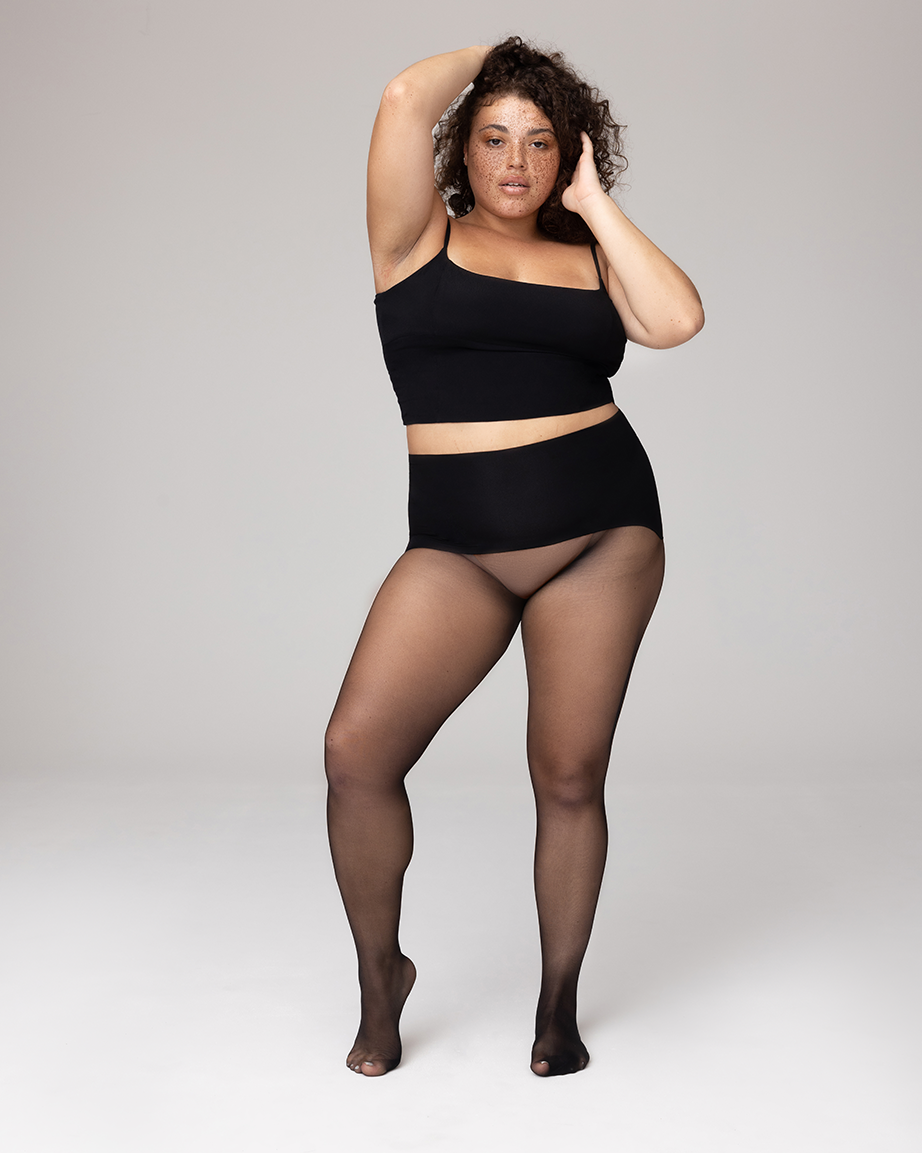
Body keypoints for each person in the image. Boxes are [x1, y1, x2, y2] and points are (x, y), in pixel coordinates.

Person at [324, 37, 704, 1078]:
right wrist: (507, 51)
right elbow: (404, 93)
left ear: (568, 153)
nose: (514, 160)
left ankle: (557, 1008)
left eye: (540, 142)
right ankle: (381, 980)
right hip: (460, 549)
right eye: (493, 137)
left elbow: (676, 318)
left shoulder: (591, 255)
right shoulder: (414, 241)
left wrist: (594, 202)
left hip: (603, 534)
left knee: (569, 774)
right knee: (357, 754)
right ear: (462, 151)